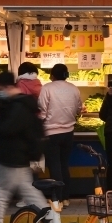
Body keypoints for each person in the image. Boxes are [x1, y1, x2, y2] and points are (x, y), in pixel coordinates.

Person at [0, 72, 48, 223]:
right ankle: (51, 221)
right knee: (30, 192)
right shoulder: (21, 103)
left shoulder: (18, 106)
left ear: (6, 87)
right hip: (20, 157)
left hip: (11, 157)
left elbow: (8, 128)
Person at [38, 64, 83, 204]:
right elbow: (79, 109)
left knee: (55, 166)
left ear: (52, 75)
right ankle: (66, 198)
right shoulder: (73, 88)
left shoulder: (47, 88)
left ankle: (57, 198)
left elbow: (42, 112)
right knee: (64, 165)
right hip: (68, 132)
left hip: (51, 133)